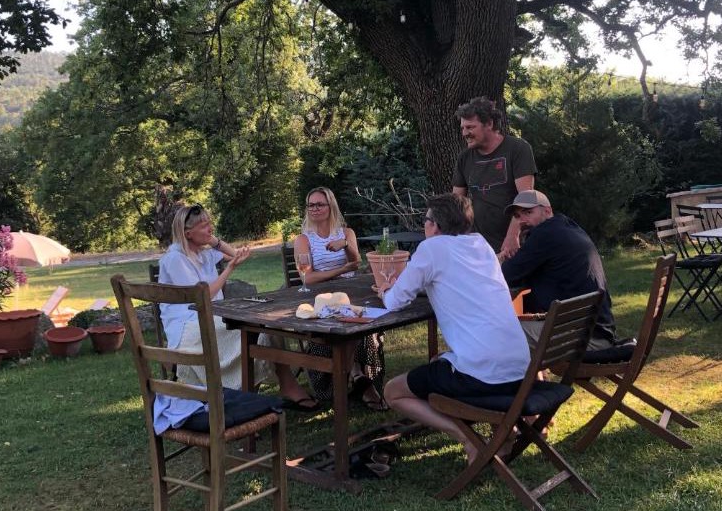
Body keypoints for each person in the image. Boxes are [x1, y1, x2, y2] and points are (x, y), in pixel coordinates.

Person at [380, 193, 531, 464]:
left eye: (426, 220)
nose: (424, 225)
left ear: (435, 226)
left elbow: (395, 301)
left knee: (393, 391)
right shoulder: (481, 245)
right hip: (520, 369)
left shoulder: (431, 248)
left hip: (482, 376)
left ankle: (466, 438)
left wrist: (384, 290)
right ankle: (505, 435)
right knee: (440, 362)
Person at [157, 203, 319, 413]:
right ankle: (269, 390)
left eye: (209, 223)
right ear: (187, 234)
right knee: (252, 331)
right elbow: (202, 296)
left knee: (262, 325)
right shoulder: (175, 259)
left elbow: (235, 254)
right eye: (204, 226)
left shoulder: (202, 253)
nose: (210, 228)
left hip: (213, 317)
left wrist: (213, 240)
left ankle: (269, 389)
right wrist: (229, 269)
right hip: (189, 327)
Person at [294, 187, 388, 411]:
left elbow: (356, 262)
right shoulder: (303, 239)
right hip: (321, 298)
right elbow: (308, 278)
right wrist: (340, 270)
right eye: (310, 205)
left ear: (331, 206)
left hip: (350, 294)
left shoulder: (346, 233)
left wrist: (345, 245)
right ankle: (357, 376)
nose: (314, 209)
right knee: (350, 324)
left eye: (319, 204)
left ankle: (355, 375)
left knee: (363, 322)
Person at [499, 190, 619, 350]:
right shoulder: (567, 227)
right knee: (517, 328)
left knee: (501, 331)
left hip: (585, 339)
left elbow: (504, 275)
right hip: (598, 331)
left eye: (528, 212)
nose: (522, 220)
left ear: (547, 210)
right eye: (517, 216)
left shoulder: (545, 234)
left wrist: (501, 259)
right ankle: (531, 369)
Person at [452, 96, 537, 259]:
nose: (464, 133)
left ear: (489, 124)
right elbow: (456, 203)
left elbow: (526, 197)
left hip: (515, 245)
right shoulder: (464, 158)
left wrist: (513, 235)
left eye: (470, 127)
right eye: (462, 128)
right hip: (478, 247)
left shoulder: (518, 149)